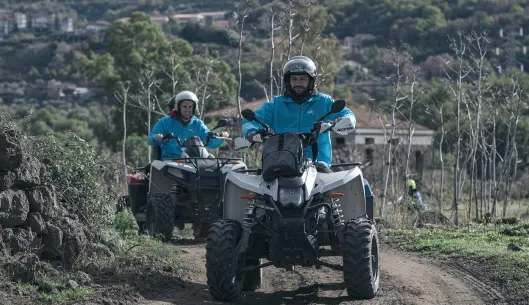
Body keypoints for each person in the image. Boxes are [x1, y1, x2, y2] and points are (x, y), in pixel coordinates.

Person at [240, 56, 374, 204]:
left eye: (302, 79)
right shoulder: (276, 105)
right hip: (280, 163)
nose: (298, 83)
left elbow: (348, 116)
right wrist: (252, 132)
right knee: (257, 199)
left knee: (338, 198)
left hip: (318, 164)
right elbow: (250, 120)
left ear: (311, 81)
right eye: (294, 79)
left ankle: (344, 225)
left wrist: (333, 123)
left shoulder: (324, 102)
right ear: (288, 81)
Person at [149, 90, 226, 160]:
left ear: (194, 108)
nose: (187, 109)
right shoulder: (165, 122)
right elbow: (151, 139)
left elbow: (209, 141)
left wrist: (222, 137)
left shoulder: (198, 124)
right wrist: (156, 137)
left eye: (190, 107)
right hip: (171, 161)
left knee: (212, 162)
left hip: (193, 163)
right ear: (178, 107)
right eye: (184, 106)